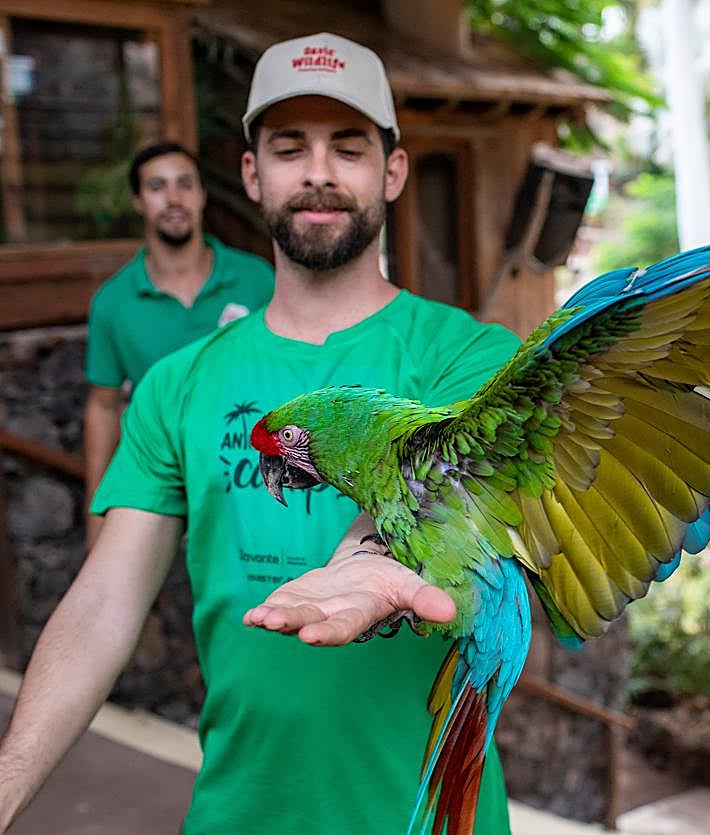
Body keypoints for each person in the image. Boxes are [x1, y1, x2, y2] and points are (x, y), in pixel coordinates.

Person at [0, 34, 521, 834]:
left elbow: (455, 499)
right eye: (288, 147)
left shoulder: (471, 359)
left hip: (431, 818)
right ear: (252, 174)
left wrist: (370, 557)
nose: (318, 171)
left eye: (348, 147)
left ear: (392, 172)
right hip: (238, 815)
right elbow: (104, 601)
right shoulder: (178, 383)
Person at [83, 141, 274, 547]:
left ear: (203, 195)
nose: (173, 198)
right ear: (138, 201)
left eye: (185, 184)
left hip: (250, 484)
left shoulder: (258, 279)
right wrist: (96, 515)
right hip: (159, 493)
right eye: (157, 186)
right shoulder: (113, 302)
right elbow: (103, 406)